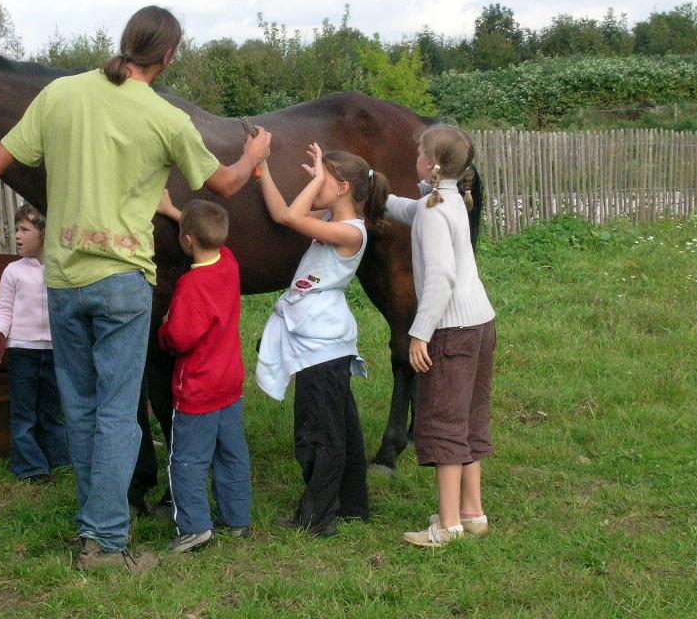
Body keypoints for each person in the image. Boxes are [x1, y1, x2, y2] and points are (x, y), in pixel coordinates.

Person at [0, 5, 271, 573]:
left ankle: (94, 523)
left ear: (125, 42)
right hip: (124, 283)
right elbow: (225, 184)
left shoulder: (61, 95)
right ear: (169, 55)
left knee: (81, 410)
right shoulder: (166, 118)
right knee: (115, 414)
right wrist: (253, 155)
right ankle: (105, 543)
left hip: (64, 281)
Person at [255, 143, 389, 536]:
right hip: (323, 339)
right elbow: (283, 214)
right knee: (341, 426)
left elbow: (293, 216)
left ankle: (317, 518)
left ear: (343, 187)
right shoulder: (332, 217)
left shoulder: (349, 231)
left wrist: (314, 181)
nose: (314, 182)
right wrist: (262, 166)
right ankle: (352, 505)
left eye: (324, 179)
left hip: (321, 342)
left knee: (319, 431)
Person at [386, 125, 497, 548]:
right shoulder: (447, 199)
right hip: (481, 323)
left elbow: (440, 281)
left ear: (430, 163)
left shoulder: (435, 211)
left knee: (444, 422)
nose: (413, 154)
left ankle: (446, 525)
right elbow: (405, 209)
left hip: (452, 331)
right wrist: (373, 189)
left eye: (418, 150)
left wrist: (419, 335)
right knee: (469, 418)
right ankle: (472, 512)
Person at [158, 200, 252, 555]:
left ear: (187, 241)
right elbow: (211, 238)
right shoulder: (229, 262)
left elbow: (180, 336)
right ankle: (237, 518)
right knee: (233, 453)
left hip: (197, 388)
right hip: (230, 384)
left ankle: (195, 528)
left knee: (187, 460)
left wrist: (163, 332)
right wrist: (175, 210)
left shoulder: (190, 285)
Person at [0, 204, 69, 482]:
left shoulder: (62, 267)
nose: (17, 236)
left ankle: (60, 461)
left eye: (25, 230)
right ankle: (31, 468)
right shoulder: (13, 271)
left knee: (52, 412)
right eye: (16, 229)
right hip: (22, 351)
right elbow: (4, 310)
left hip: (56, 351)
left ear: (44, 233)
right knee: (23, 413)